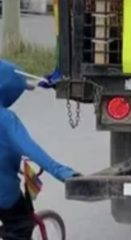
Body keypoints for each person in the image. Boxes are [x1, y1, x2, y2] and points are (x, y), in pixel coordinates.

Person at [0, 60, 78, 240]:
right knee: (20, 226)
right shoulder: (6, 119)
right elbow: (30, 148)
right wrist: (62, 172)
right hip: (3, 194)